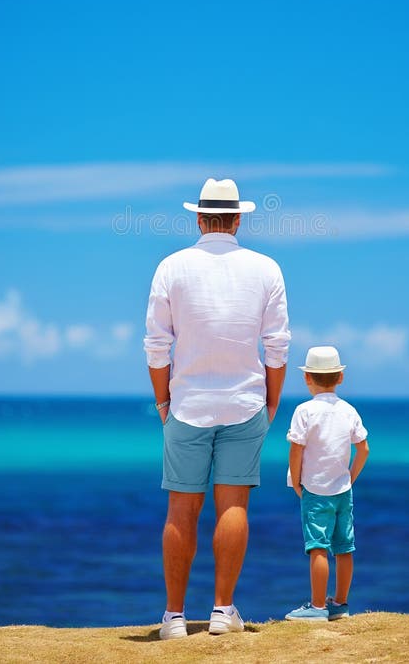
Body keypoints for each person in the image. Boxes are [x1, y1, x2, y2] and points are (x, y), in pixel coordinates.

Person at [144, 178, 290, 639]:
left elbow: (156, 346)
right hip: (246, 402)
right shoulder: (267, 269)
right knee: (234, 505)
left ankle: (173, 618)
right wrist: (270, 402)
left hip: (186, 403)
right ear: (239, 219)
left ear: (200, 218)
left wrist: (164, 401)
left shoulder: (171, 267)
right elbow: (277, 347)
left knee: (180, 510)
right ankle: (223, 610)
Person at [285, 346, 369, 622]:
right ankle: (340, 604)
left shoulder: (304, 411)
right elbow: (364, 449)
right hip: (343, 490)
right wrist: (350, 477)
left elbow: (296, 449)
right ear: (340, 378)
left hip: (315, 490)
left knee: (317, 546)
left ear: (307, 377)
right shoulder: (348, 410)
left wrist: (297, 481)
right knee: (344, 547)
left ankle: (318, 607)